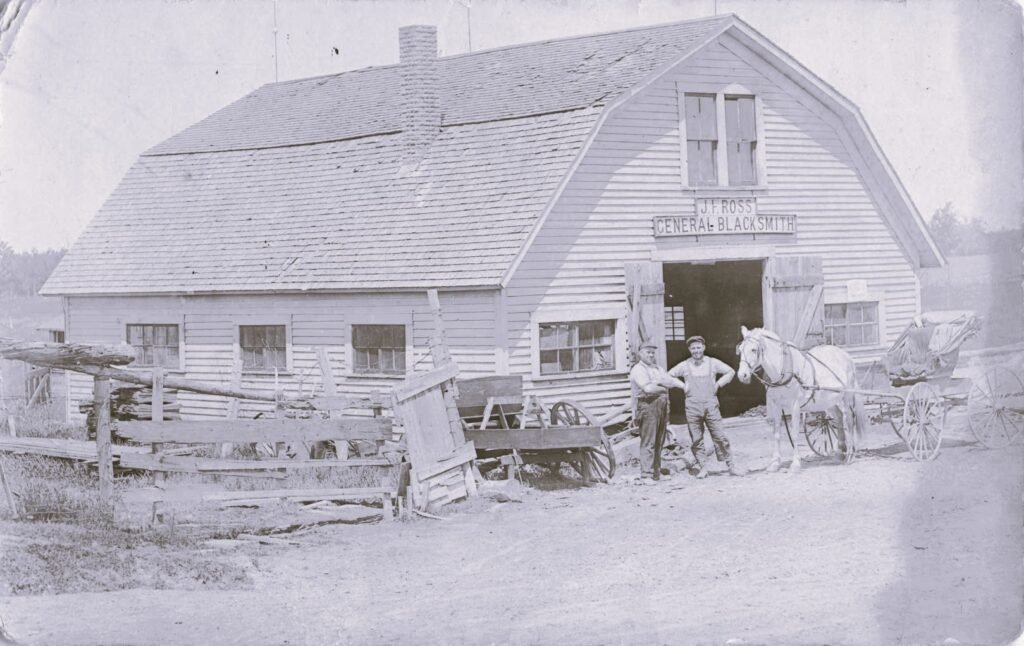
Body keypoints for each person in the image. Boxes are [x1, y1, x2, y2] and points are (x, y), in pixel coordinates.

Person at [669, 336, 746, 478]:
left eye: (698, 347)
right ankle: (703, 467)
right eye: (693, 348)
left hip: (711, 405)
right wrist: (683, 386)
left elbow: (730, 371)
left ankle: (731, 466)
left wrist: (718, 384)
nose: (696, 351)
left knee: (720, 436)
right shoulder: (685, 365)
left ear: (704, 348)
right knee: (696, 438)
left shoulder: (712, 362)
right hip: (692, 406)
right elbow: (669, 376)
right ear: (689, 350)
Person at [629, 342, 687, 484]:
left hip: (661, 406)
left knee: (659, 440)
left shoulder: (657, 368)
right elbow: (648, 389)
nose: (651, 355)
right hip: (647, 406)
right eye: (648, 352)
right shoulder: (638, 369)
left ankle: (656, 472)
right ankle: (646, 475)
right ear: (640, 353)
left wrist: (682, 386)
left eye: (652, 352)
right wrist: (663, 386)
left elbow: (670, 380)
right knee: (648, 441)